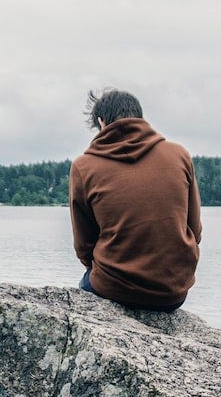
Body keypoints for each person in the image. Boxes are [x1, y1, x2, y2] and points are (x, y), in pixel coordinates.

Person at [69, 89, 202, 311]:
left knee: (85, 285)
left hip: (113, 288)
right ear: (140, 117)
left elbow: (84, 246)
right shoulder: (179, 155)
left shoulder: (84, 167)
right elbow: (194, 230)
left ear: (101, 122)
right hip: (173, 293)